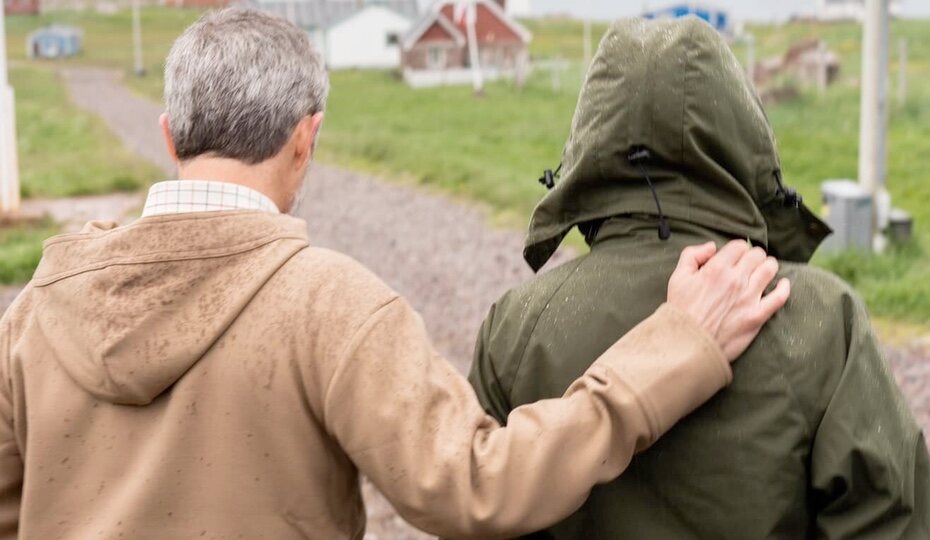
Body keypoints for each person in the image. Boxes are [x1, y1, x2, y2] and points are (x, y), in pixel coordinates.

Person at [0, 9, 789, 540]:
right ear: (306, 140)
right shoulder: (329, 304)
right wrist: (678, 344)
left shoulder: (37, 307)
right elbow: (482, 489)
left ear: (170, 135)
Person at [469, 16, 930, 540]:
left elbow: (472, 505)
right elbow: (890, 522)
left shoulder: (515, 326)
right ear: (744, 136)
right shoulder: (820, 316)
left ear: (590, 145)